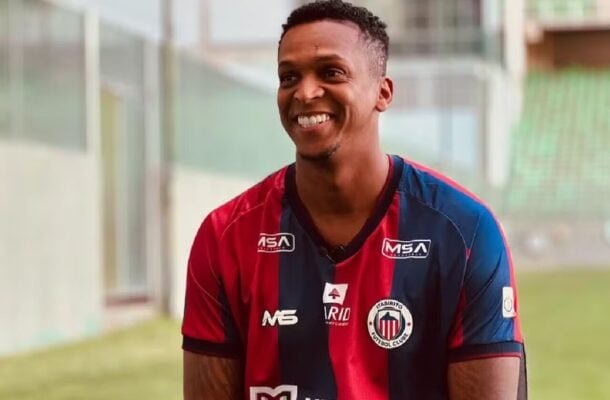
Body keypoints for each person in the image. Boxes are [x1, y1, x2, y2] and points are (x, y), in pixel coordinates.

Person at [182, 1, 526, 399]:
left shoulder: (464, 232)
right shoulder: (225, 237)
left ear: (383, 92)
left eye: (331, 72)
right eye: (289, 77)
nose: (305, 92)